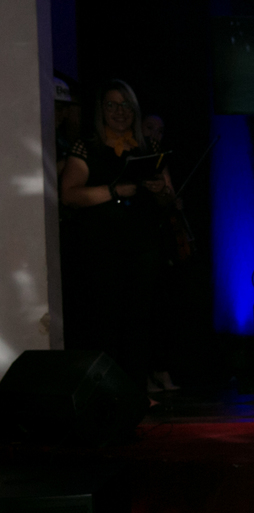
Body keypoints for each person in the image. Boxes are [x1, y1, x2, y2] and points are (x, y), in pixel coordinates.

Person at [60, 79, 176, 392]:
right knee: (105, 322)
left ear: (135, 110)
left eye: (125, 105)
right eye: (112, 105)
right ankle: (106, 394)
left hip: (143, 245)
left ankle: (136, 391)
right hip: (101, 248)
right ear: (101, 110)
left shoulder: (149, 147)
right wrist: (113, 191)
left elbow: (169, 198)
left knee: (140, 322)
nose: (119, 111)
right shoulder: (87, 146)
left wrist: (160, 190)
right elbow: (68, 195)